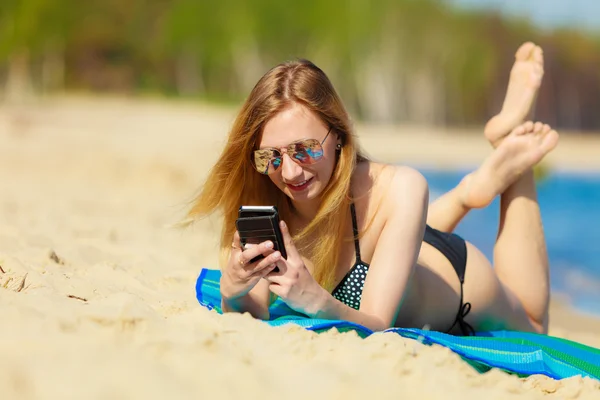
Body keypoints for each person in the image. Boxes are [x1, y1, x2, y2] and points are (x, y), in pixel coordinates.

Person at [186, 42, 558, 335]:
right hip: (397, 246)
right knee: (396, 232)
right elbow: (253, 316)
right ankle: (468, 192)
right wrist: (233, 291)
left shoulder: (401, 186)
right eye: (272, 156)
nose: (291, 172)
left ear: (338, 135)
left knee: (534, 322)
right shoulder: (263, 193)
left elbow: (379, 324)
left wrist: (315, 299)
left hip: (457, 280)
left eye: (305, 149)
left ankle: (513, 152)